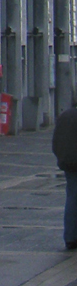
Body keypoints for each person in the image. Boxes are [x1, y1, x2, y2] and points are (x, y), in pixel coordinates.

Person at [53, 102, 77, 249]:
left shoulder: (65, 115)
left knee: (72, 197)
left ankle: (70, 236)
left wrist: (61, 157)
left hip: (68, 163)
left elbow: (56, 141)